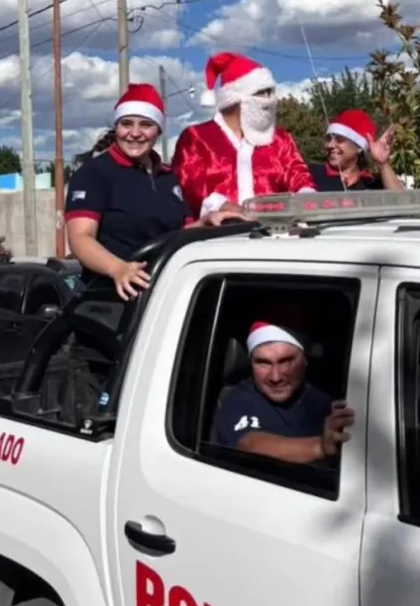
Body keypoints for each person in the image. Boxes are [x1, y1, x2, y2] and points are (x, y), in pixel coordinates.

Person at [65, 83, 243, 300]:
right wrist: (118, 269)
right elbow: (80, 237)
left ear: (158, 130)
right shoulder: (95, 173)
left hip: (160, 293)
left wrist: (206, 222)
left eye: (146, 124)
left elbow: (179, 233)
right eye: (126, 124)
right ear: (116, 127)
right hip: (108, 298)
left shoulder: (168, 177)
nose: (135, 133)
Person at [172, 53, 317, 220]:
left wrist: (307, 197)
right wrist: (225, 207)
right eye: (262, 93)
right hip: (215, 236)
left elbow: (299, 176)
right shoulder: (197, 137)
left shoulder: (280, 139)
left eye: (272, 92)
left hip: (275, 234)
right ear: (234, 98)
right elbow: (189, 184)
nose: (270, 100)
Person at [212, 320, 353, 464]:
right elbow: (249, 444)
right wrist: (320, 447)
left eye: (285, 361)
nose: (275, 377)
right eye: (263, 363)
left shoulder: (324, 403)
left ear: (305, 360)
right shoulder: (239, 400)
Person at [310, 109, 406, 191]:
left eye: (339, 140)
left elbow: (402, 203)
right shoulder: (309, 173)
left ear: (359, 147)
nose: (330, 145)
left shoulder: (373, 183)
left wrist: (383, 164)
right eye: (328, 139)